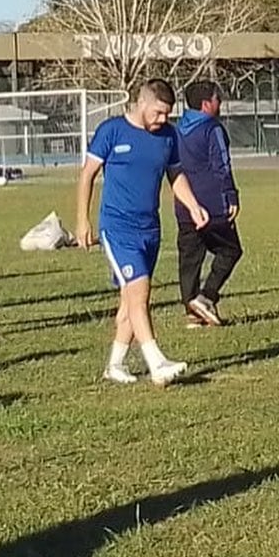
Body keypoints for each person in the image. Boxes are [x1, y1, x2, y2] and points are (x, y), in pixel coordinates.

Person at [76, 78, 209, 387]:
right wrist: (82, 220)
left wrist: (192, 205)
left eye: (167, 114)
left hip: (150, 228)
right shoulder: (111, 131)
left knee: (130, 301)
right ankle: (156, 362)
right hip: (117, 227)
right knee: (140, 291)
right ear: (142, 103)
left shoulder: (168, 136)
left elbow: (175, 175)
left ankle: (115, 365)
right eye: (159, 113)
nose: (163, 120)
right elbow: (87, 175)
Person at [174, 81, 243, 328]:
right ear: (206, 104)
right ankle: (207, 297)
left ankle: (193, 313)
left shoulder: (176, 129)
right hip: (212, 204)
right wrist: (231, 194)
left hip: (183, 204)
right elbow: (221, 164)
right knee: (230, 250)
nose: (220, 104)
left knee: (190, 257)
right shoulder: (212, 128)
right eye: (218, 100)